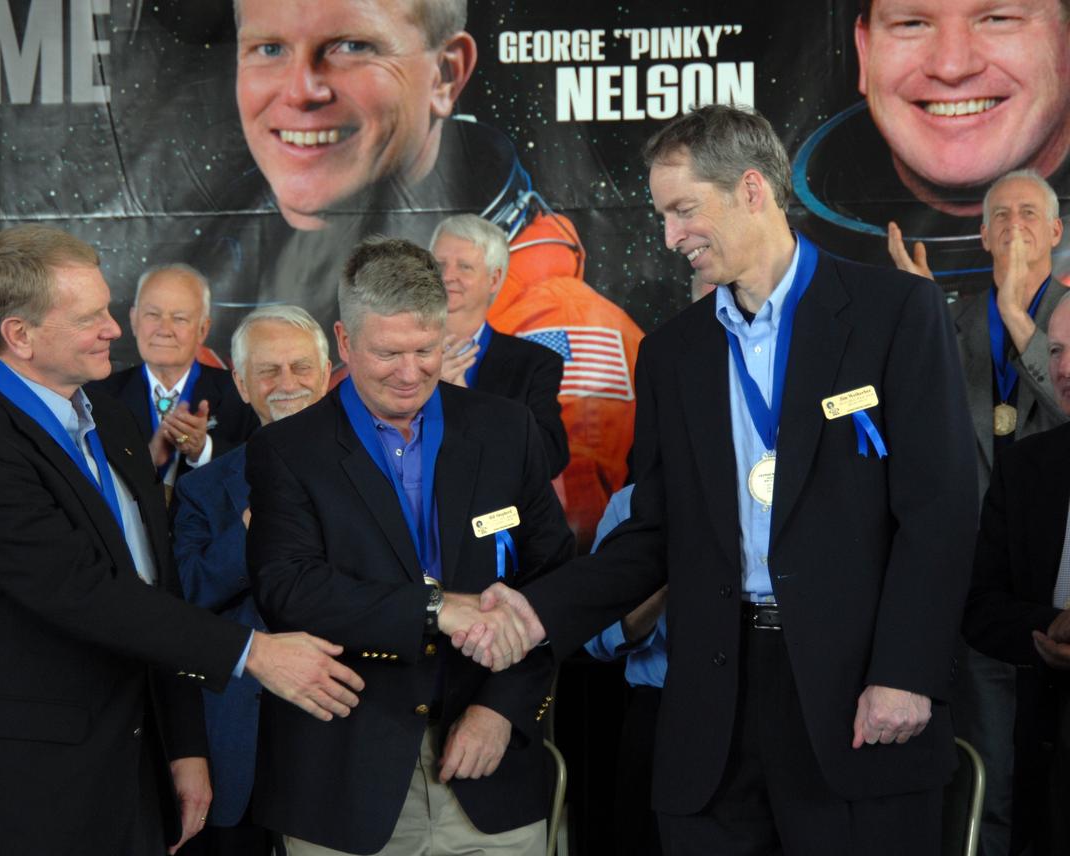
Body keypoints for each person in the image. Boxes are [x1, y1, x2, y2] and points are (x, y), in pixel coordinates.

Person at [466, 105, 977, 853]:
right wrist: (538, 611)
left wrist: (906, 671)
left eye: (683, 210)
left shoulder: (895, 312)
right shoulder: (673, 353)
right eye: (662, 216)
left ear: (751, 189)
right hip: (716, 709)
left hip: (859, 698)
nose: (670, 237)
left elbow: (940, 511)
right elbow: (653, 532)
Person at [0, 225, 364, 856]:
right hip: (31, 784)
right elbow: (86, 594)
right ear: (19, 335)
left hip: (136, 767)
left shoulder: (112, 420)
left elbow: (159, 591)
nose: (114, 329)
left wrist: (184, 745)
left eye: (107, 309)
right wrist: (254, 653)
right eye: (90, 317)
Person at [217, 0, 643, 546]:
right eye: (270, 47)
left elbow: (572, 512)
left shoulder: (564, 326)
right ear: (346, 342)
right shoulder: (329, 334)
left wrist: (464, 419)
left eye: (354, 46)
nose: (301, 90)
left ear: (446, 73)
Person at [244, 237, 575, 855]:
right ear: (344, 341)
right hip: (346, 782)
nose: (409, 372)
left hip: (491, 775)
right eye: (388, 353)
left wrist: (502, 711)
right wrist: (434, 608)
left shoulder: (506, 430)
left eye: (426, 350)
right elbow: (288, 589)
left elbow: (553, 584)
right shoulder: (287, 450)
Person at [889, 169, 1067, 855]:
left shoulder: (1068, 318)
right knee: (987, 775)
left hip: (1058, 586)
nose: (1015, 225)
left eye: (1030, 213)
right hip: (978, 589)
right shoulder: (950, 318)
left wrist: (1022, 319)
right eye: (1002, 215)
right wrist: (918, 321)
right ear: (984, 234)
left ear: (1056, 232)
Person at [172, 304, 333, 855]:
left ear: (327, 373)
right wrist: (250, 526)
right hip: (242, 746)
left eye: (300, 367)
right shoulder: (203, 488)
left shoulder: (385, 472)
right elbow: (185, 598)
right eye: (267, 370)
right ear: (241, 384)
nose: (287, 383)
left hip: (348, 743)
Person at [794, 0, 1070, 285]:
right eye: (911, 24)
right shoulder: (802, 270)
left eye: (998, 19)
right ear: (865, 51)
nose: (951, 67)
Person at [964, 295, 1070, 855]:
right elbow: (982, 608)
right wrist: (1053, 625)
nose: (1064, 368)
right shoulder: (1025, 468)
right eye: (1055, 351)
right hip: (1050, 757)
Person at [90, 264, 257, 500]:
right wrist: (146, 461)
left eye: (179, 318)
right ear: (134, 320)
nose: (164, 330)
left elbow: (261, 471)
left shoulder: (241, 395)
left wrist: (203, 449)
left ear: (203, 329)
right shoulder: (97, 397)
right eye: (152, 315)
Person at [430, 214, 568, 475]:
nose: (447, 276)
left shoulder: (534, 364)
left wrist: (465, 402)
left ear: (494, 280)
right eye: (439, 264)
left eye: (464, 267)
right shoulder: (399, 352)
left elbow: (549, 457)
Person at [582, 484, 666, 856]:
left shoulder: (772, 494)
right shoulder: (632, 503)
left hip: (773, 701)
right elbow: (597, 636)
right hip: (661, 714)